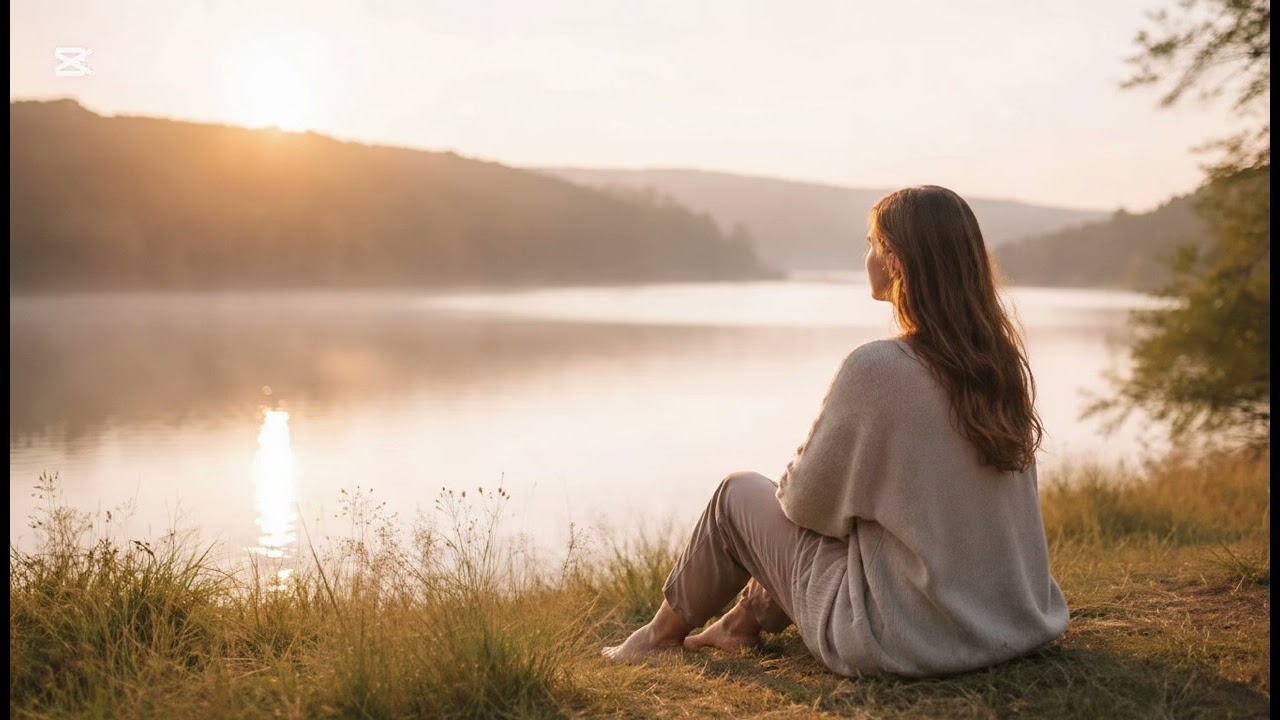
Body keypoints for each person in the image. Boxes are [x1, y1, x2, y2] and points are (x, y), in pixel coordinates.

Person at [602, 185, 1070, 677]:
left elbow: (803, 504)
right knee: (856, 515)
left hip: (906, 639)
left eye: (871, 243)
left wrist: (818, 485)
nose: (865, 255)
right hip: (1013, 623)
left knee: (735, 496)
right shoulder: (1000, 367)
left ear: (895, 261)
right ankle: (740, 624)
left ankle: (656, 638)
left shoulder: (878, 369)